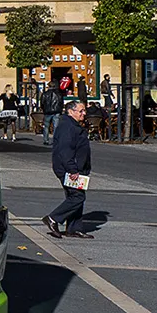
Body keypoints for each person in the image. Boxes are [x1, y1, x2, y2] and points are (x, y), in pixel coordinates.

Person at [43, 96, 94, 239]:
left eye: (84, 111)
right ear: (71, 111)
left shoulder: (73, 125)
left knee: (75, 195)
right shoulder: (67, 126)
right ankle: (53, 218)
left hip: (77, 168)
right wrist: (72, 169)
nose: (84, 113)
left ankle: (74, 228)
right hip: (69, 168)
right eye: (81, 111)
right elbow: (65, 150)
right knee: (77, 197)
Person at [41, 75, 68, 145]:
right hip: (56, 111)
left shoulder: (45, 94)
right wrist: (60, 109)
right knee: (56, 126)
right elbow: (61, 102)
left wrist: (43, 109)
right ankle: (55, 140)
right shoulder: (59, 94)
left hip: (47, 112)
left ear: (48, 86)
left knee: (46, 126)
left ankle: (46, 140)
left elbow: (42, 103)